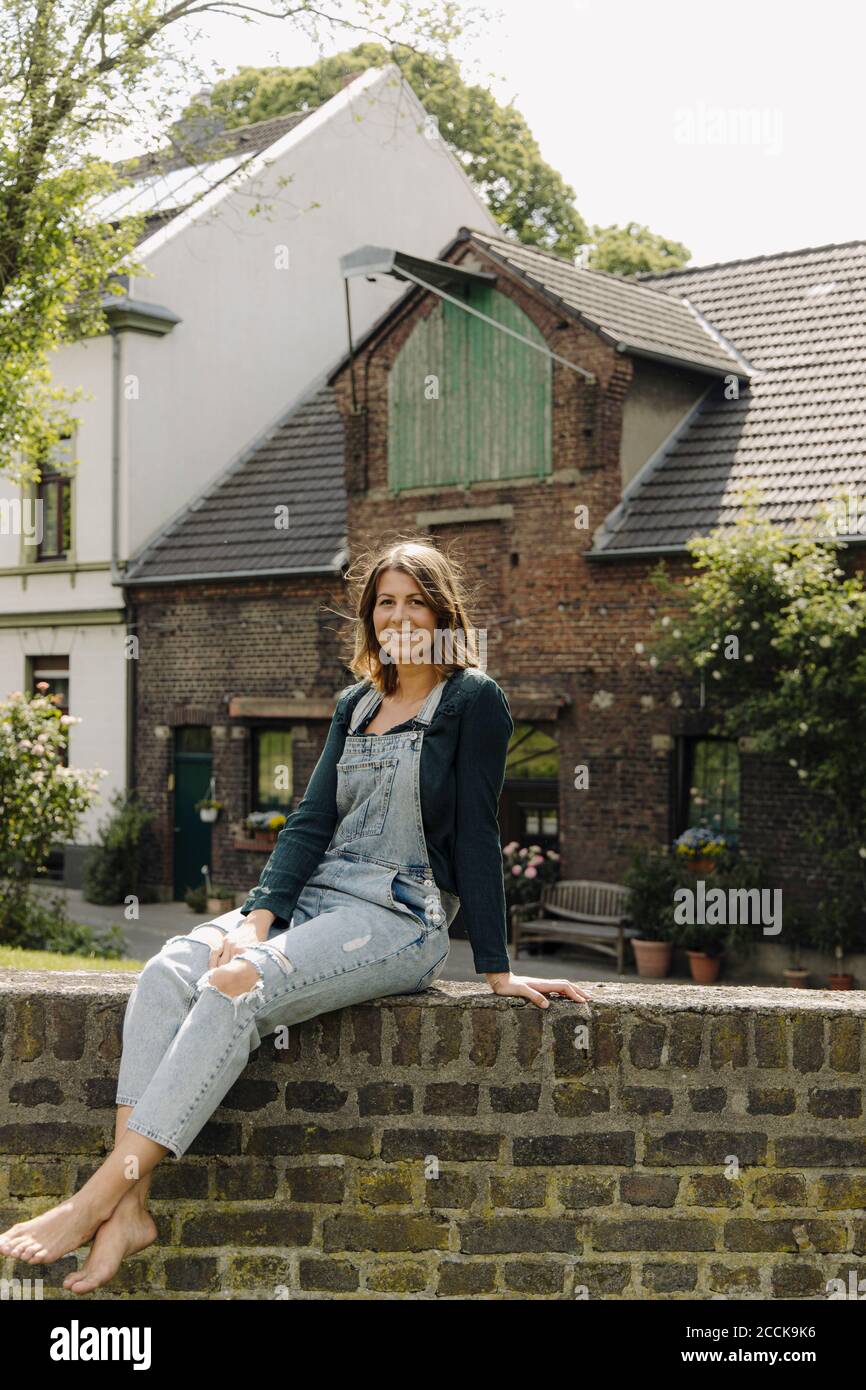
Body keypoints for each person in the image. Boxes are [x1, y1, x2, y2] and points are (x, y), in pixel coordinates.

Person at [0, 538, 591, 1291]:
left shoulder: (474, 700)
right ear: (370, 616)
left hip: (398, 911)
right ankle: (132, 1212)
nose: (400, 615)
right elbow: (311, 821)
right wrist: (256, 916)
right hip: (316, 894)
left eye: (416, 601)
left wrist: (496, 969)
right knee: (167, 971)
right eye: (386, 601)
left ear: (444, 612)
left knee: (234, 986)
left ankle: (97, 1197)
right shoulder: (359, 704)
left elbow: (478, 828)